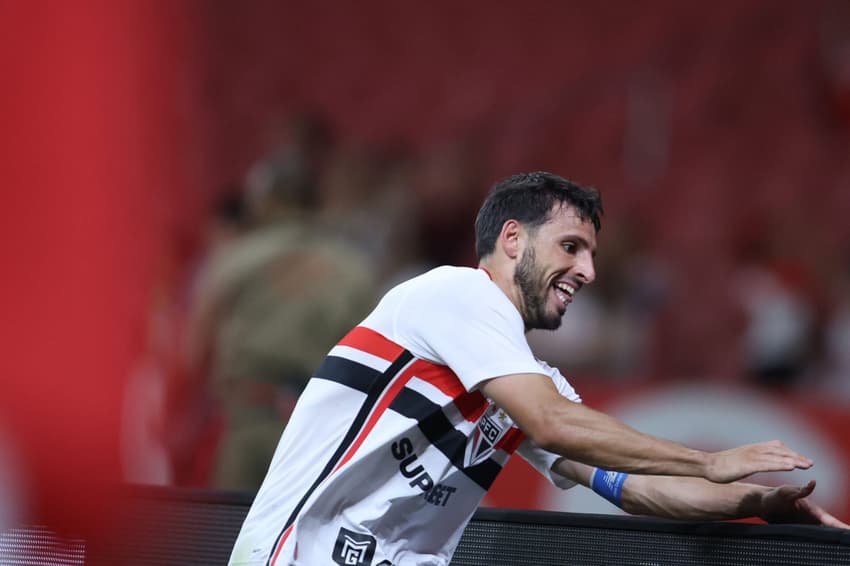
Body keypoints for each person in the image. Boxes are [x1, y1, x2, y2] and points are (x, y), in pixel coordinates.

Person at [228, 172, 847, 566]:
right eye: (571, 247)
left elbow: (634, 489)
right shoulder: (455, 294)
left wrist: (755, 500)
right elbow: (550, 424)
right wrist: (709, 460)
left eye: (594, 256)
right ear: (514, 240)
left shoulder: (528, 378)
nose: (588, 272)